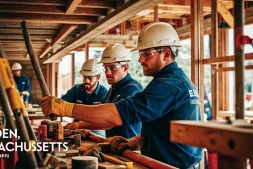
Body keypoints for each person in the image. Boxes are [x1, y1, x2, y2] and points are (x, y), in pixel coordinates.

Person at [41, 22, 202, 168]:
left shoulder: (167, 85)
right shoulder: (176, 82)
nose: (140, 59)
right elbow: (161, 127)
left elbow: (117, 115)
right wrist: (133, 142)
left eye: (146, 53)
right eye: (140, 53)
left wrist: (66, 108)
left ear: (166, 54)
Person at [65, 44, 142, 139]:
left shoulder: (131, 89)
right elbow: (104, 121)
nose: (108, 72)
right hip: (113, 145)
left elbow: (110, 119)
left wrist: (68, 112)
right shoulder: (112, 89)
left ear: (125, 67)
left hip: (129, 148)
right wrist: (78, 125)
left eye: (113, 67)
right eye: (105, 68)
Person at [61, 59, 108, 137]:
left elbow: (104, 120)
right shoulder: (76, 90)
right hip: (76, 132)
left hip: (96, 133)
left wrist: (79, 124)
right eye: (84, 77)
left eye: (90, 78)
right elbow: (62, 103)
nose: (86, 81)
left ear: (98, 77)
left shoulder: (104, 94)